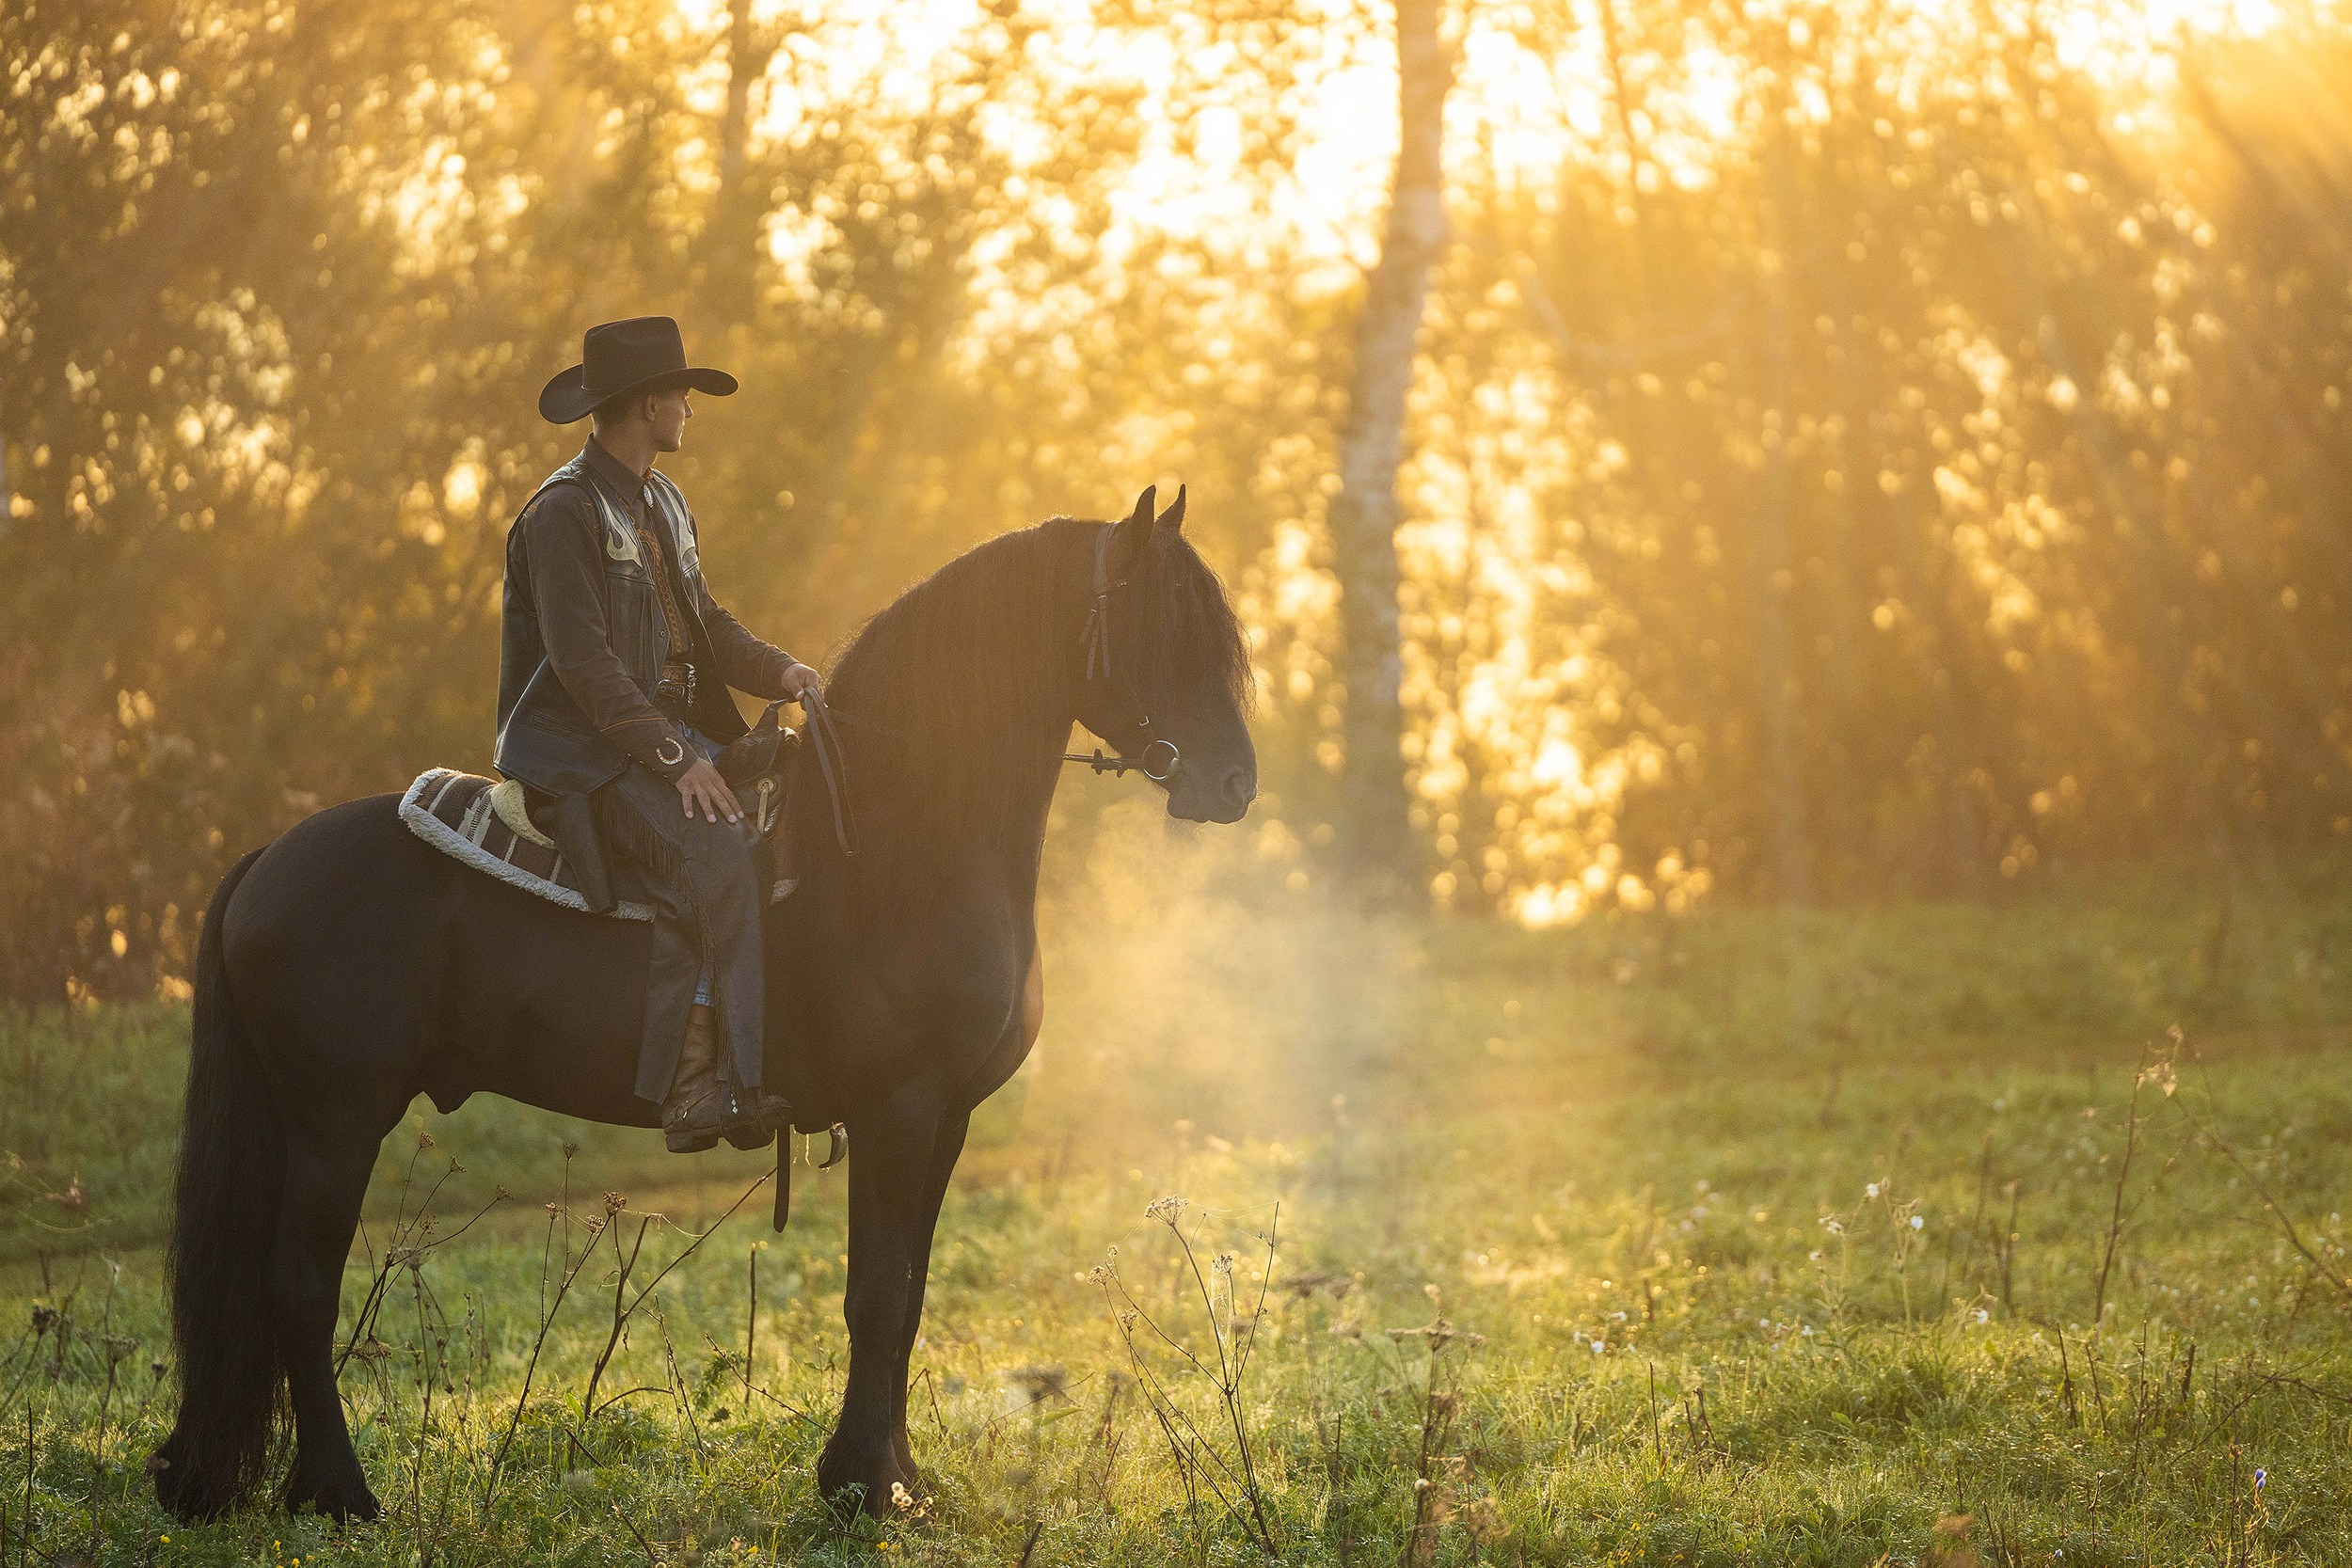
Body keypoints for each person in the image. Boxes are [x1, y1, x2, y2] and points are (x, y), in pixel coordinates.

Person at [494, 316, 819, 1152]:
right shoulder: (562, 514)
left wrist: (784, 671)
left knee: (799, 799)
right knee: (714, 846)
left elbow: (707, 621)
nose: (689, 408)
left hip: (662, 737)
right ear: (647, 403)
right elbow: (583, 664)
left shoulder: (663, 500)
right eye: (681, 393)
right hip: (586, 754)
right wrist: (678, 761)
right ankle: (705, 1087)